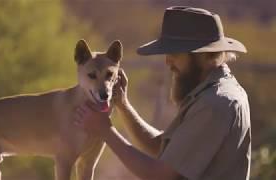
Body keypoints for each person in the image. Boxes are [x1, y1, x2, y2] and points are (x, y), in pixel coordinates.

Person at [74, 6, 251, 180]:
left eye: (174, 53)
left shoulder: (214, 104)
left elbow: (159, 175)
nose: (168, 62)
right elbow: (164, 148)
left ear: (204, 55)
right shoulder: (214, 92)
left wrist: (105, 130)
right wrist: (123, 105)